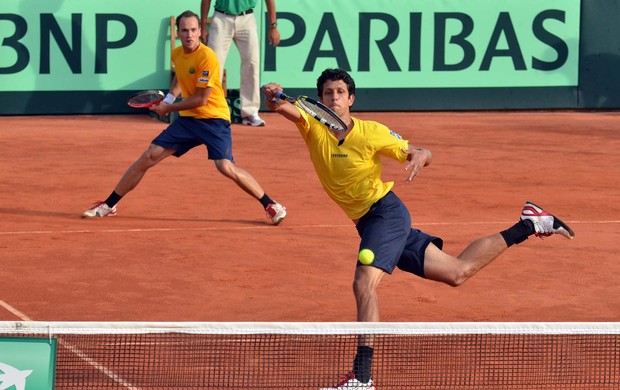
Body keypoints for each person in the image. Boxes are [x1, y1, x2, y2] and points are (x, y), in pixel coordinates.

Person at [262, 68, 575, 390]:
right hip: (369, 223)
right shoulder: (311, 125)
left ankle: (363, 375)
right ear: (321, 100)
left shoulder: (372, 132)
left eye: (341, 92)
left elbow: (420, 151)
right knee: (457, 271)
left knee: (363, 283)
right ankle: (531, 223)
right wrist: (271, 94)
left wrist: (421, 157)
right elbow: (280, 106)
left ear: (351, 99)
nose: (335, 98)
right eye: (328, 93)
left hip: (385, 214)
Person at [82, 10, 286, 225]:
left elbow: (201, 99)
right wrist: (169, 99)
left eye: (193, 30)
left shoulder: (207, 57)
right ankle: (109, 204)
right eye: (185, 30)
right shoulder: (177, 54)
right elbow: (180, 77)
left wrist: (167, 109)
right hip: (189, 121)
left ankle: (271, 204)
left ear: (200, 32)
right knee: (150, 155)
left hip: (214, 119)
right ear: (178, 33)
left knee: (225, 167)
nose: (189, 34)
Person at [200, 0, 280, 127]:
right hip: (221, 18)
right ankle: (211, 111)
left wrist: (273, 26)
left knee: (252, 64)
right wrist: (203, 27)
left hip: (247, 18)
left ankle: (250, 112)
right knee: (213, 66)